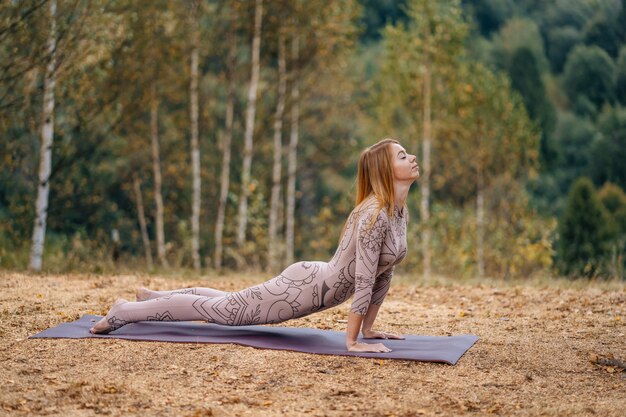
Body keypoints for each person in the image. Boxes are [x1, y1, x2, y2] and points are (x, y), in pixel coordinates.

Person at [91, 138, 420, 353]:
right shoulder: (374, 216)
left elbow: (382, 274)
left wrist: (370, 329)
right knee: (225, 313)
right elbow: (363, 279)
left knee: (229, 302)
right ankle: (125, 312)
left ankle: (155, 298)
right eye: (403, 155)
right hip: (304, 288)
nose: (413, 158)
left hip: (313, 283)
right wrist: (352, 342)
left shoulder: (396, 213)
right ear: (385, 170)